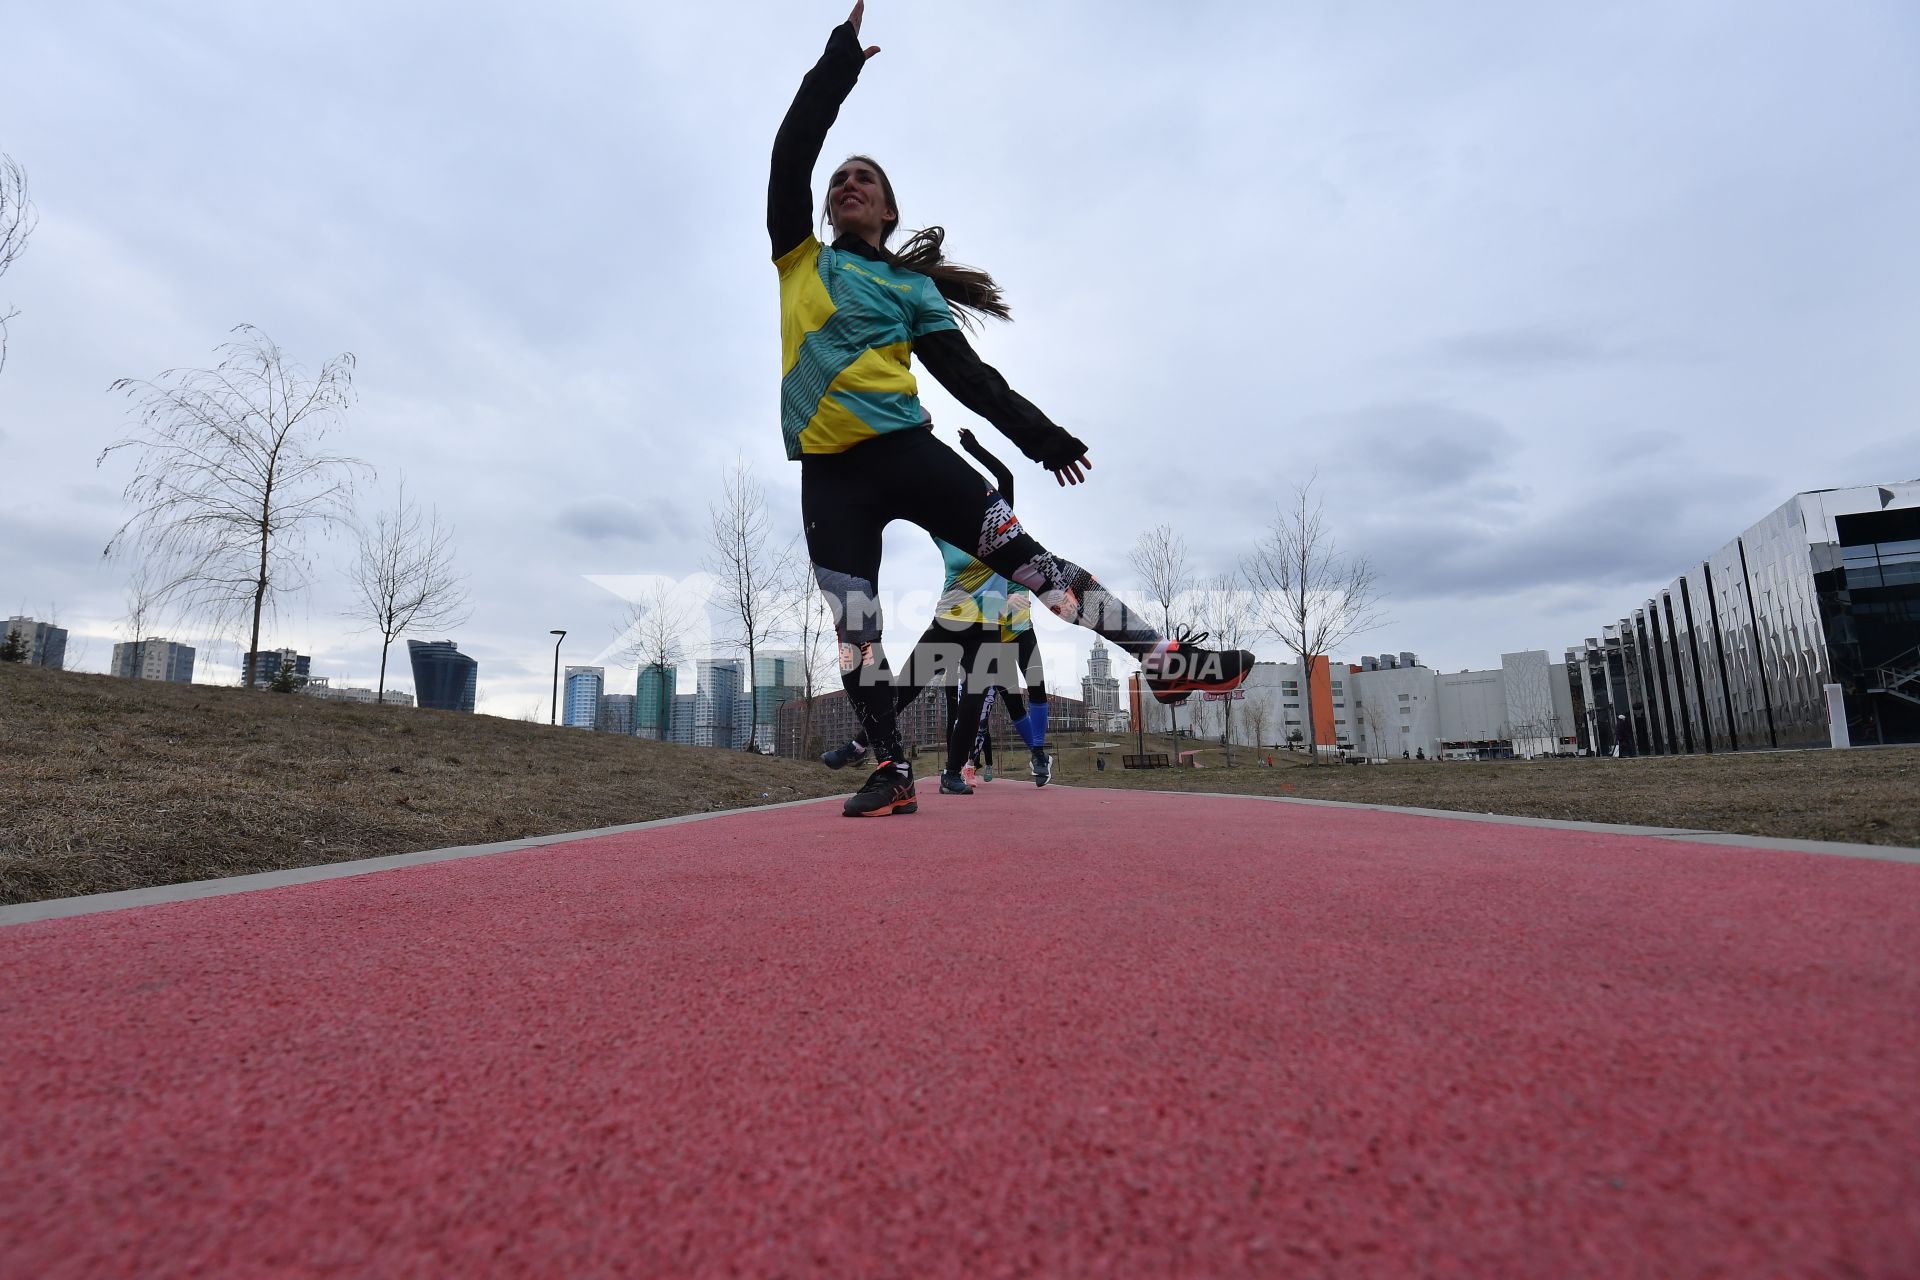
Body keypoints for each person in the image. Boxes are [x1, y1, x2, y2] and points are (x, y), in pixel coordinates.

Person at [771, 2, 1254, 817]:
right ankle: (891, 770)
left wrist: (1040, 437)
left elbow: (973, 379)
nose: (848, 183)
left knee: (1034, 564)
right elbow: (794, 145)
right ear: (823, 210)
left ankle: (1162, 657)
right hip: (831, 478)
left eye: (867, 179)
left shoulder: (909, 288)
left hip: (909, 455)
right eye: (840, 182)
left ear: (887, 212)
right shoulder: (798, 258)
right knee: (857, 630)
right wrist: (839, 65)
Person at [822, 428, 1054, 792]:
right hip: (948, 622)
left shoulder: (995, 527)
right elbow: (906, 498)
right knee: (904, 689)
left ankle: (952, 774)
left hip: (989, 631)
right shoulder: (941, 531)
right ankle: (858, 745)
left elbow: (1006, 478)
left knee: (972, 706)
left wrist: (974, 448)